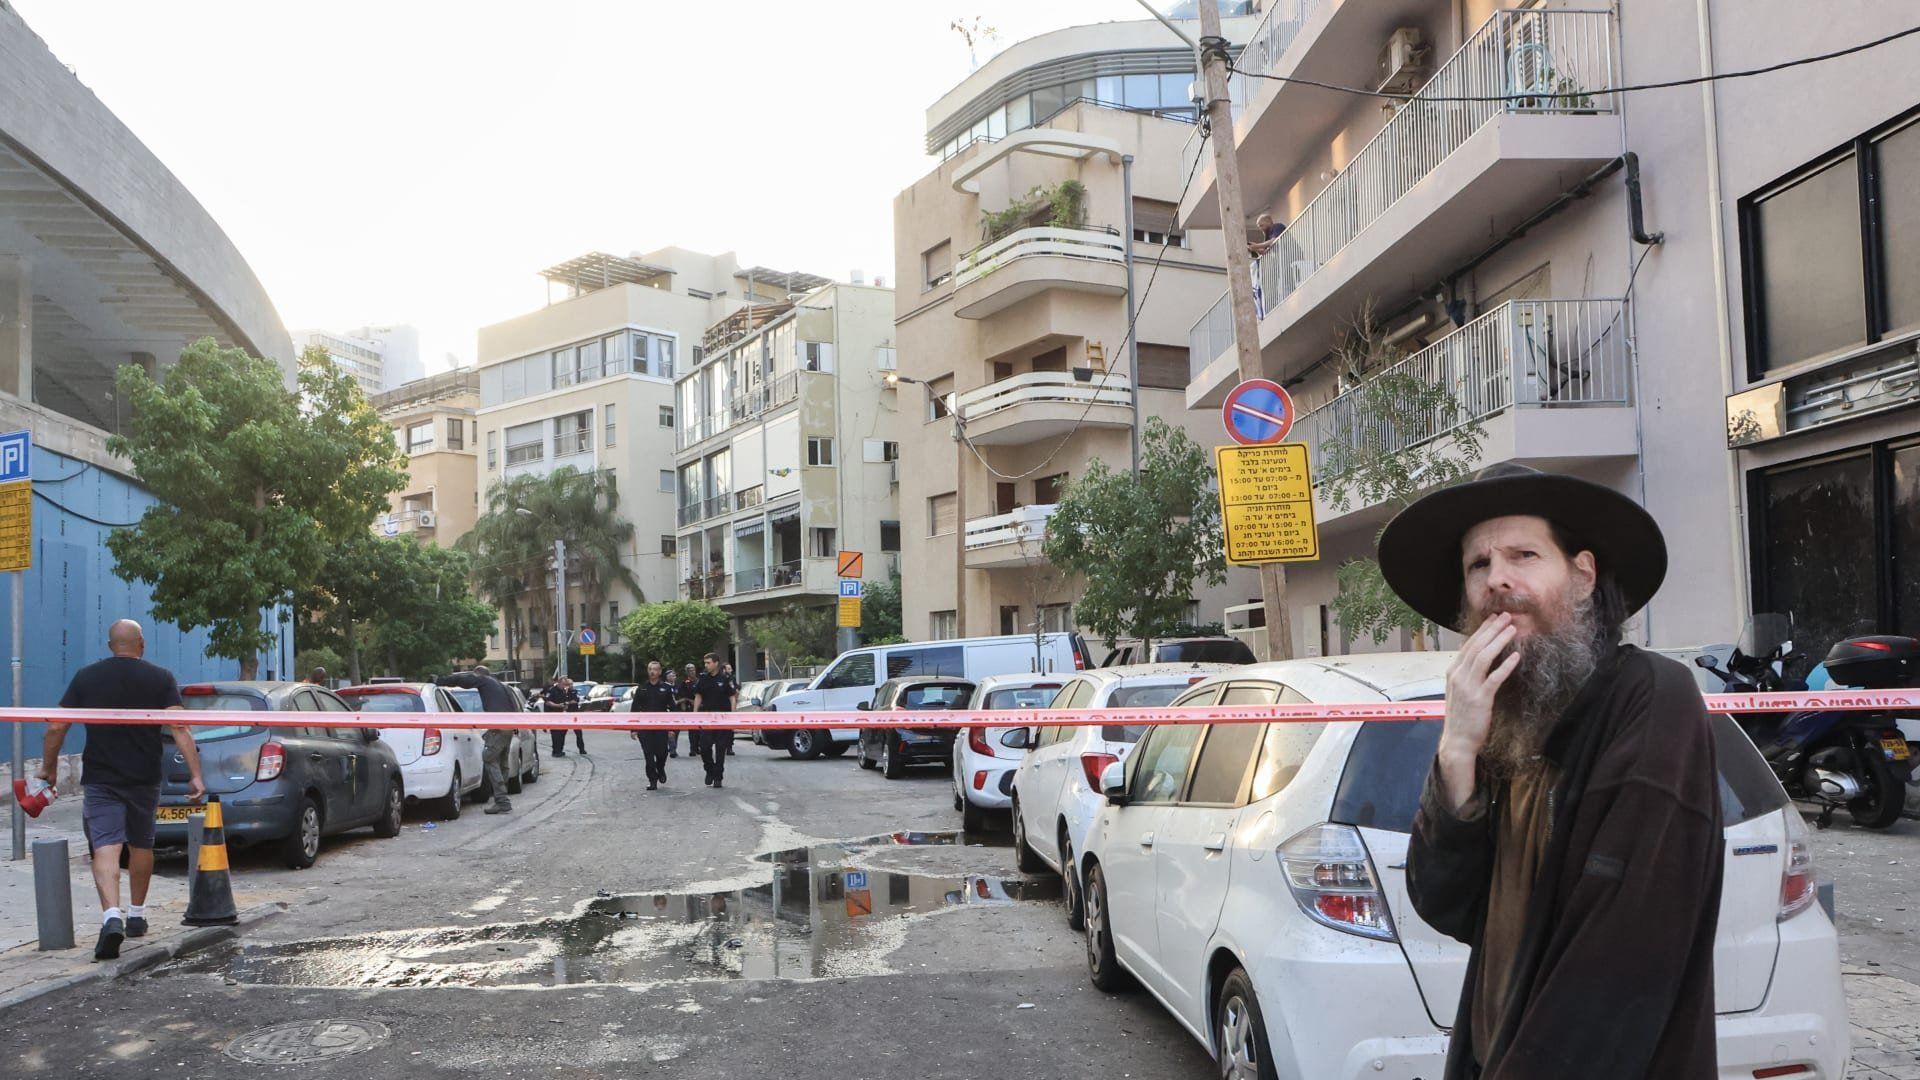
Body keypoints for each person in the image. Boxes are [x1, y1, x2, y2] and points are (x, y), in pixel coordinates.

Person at [1377, 463, 1722, 1079]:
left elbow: (1616, 963)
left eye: (1524, 555)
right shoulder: (1507, 724)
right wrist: (1456, 750)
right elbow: (1447, 906)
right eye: (1478, 565)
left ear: (1583, 575)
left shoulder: (1652, 700)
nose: (1497, 581)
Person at [39, 620, 205, 961]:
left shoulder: (87, 677)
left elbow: (56, 726)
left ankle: (111, 916)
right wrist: (195, 775)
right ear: (140, 643)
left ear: (110, 644)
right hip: (144, 777)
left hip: (102, 777)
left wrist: (49, 767)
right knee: (142, 844)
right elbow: (180, 728)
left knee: (106, 846)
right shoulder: (160, 678)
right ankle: (137, 914)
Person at [437, 664, 518, 815]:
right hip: (508, 727)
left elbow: (465, 680)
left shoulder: (485, 680)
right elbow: (514, 706)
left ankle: (502, 801)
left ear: (479, 675)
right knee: (501, 763)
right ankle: (502, 798)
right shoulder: (501, 685)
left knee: (488, 758)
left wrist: (442, 680)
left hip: (498, 728)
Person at [628, 661, 677, 790]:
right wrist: (633, 729)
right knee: (648, 755)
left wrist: (673, 728)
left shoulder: (666, 688)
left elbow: (673, 709)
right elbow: (634, 709)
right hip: (645, 728)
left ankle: (660, 768)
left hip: (661, 727)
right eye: (650, 669)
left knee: (662, 753)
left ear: (660, 672)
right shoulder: (642, 687)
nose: (652, 672)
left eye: (655, 669)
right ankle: (652, 780)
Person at [692, 653, 739, 788]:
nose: (706, 665)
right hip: (707, 718)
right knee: (705, 747)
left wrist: (733, 716)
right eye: (705, 663)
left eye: (708, 663)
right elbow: (698, 696)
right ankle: (709, 769)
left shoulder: (725, 678)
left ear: (716, 663)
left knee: (720, 749)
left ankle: (718, 776)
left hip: (723, 719)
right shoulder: (703, 679)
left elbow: (732, 697)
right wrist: (695, 715)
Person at [545, 675, 584, 756]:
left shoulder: (564, 691)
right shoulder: (552, 690)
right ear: (559, 683)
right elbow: (548, 702)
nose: (565, 686)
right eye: (563, 684)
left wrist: (565, 705)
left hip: (563, 716)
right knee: (556, 734)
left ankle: (560, 750)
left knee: (562, 733)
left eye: (566, 684)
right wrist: (557, 705)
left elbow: (570, 700)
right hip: (554, 715)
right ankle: (555, 751)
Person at [677, 664, 701, 759]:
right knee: (692, 730)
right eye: (690, 670)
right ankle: (692, 749)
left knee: (700, 729)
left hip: (701, 707)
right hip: (690, 707)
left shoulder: (699, 681)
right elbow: (682, 695)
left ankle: (698, 747)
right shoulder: (685, 683)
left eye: (693, 670)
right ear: (687, 672)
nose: (692, 672)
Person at [663, 669, 681, 757]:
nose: (673, 677)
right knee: (670, 730)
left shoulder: (677, 686)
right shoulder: (664, 687)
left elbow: (682, 696)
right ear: (666, 677)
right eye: (670, 675)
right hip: (668, 712)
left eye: (674, 675)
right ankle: (672, 750)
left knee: (676, 730)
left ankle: (673, 747)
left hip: (677, 711)